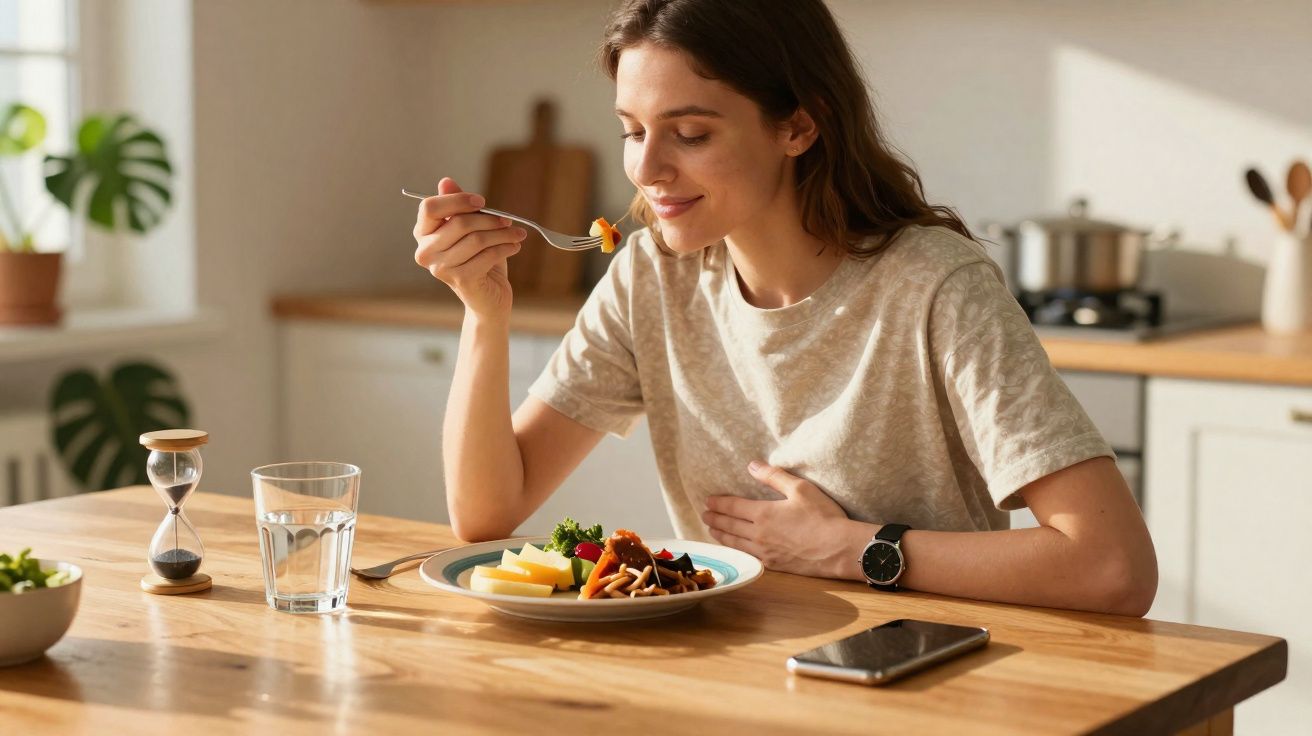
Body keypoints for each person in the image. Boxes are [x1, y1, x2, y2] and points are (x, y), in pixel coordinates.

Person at [411, 0, 1157, 616]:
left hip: (926, 680)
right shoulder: (653, 275)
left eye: (691, 133)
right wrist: (485, 311)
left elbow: (1112, 565)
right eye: (633, 131)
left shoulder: (933, 284)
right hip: (736, 671)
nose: (645, 167)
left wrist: (854, 548)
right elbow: (485, 515)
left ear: (800, 126)